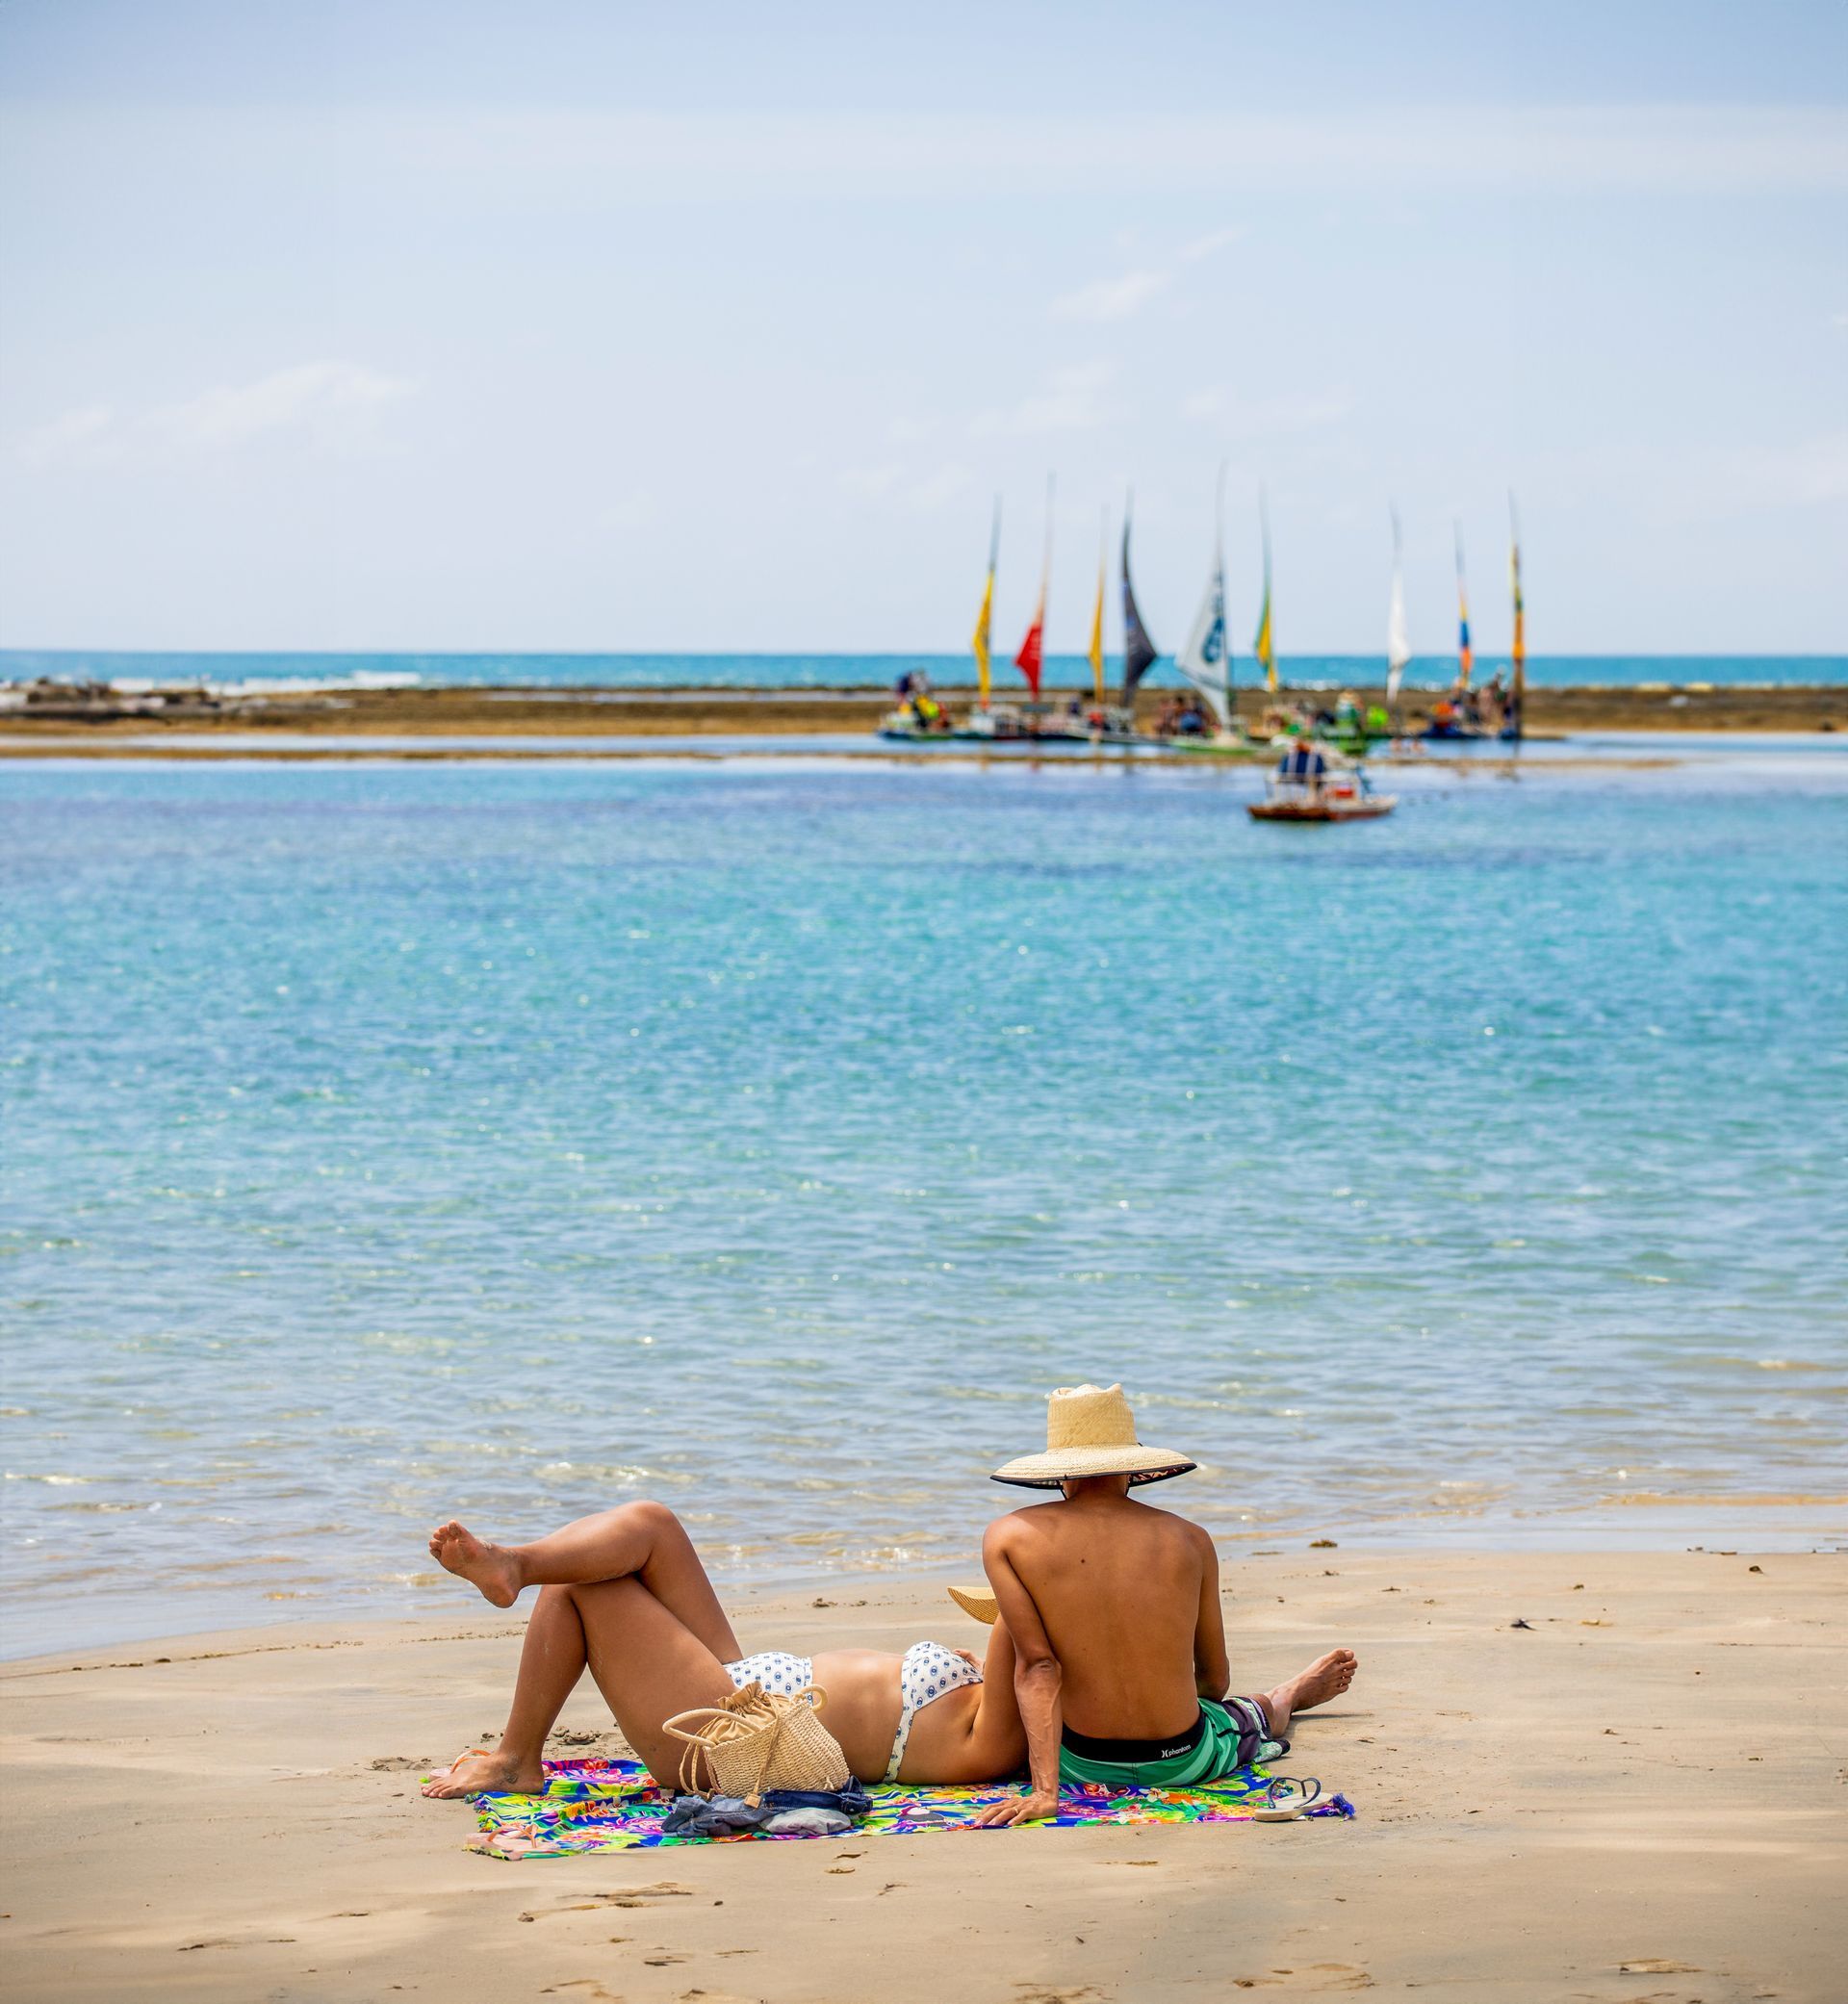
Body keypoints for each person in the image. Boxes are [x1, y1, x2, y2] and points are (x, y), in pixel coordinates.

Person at [419, 1503, 1026, 1798]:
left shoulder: (990, 1740)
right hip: (739, 1685)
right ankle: (516, 1562)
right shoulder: (989, 1687)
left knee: (579, 1586)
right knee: (654, 1525)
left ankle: (514, 1761)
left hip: (732, 1742)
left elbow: (1038, 1663)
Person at [970, 1384, 1357, 1827]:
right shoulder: (1191, 1540)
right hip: (1183, 1761)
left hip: (1083, 1766)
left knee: (1033, 1701)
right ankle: (1282, 1698)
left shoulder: (1007, 1536)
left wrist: (1045, 1792)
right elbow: (1214, 1680)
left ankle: (1281, 1696)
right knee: (1235, 1712)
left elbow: (1037, 1668)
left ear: (1060, 1472)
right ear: (1132, 1467)